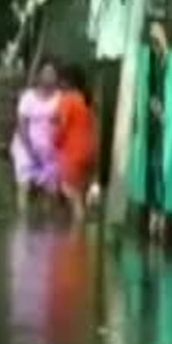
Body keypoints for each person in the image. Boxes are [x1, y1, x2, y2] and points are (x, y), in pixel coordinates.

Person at [9, 58, 63, 212]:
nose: (49, 76)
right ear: (39, 75)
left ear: (57, 77)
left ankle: (45, 225)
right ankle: (23, 221)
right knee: (24, 186)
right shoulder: (28, 97)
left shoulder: (60, 98)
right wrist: (30, 150)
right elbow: (21, 125)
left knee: (50, 191)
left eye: (52, 73)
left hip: (50, 150)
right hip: (25, 147)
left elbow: (63, 124)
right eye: (45, 72)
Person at [55, 63, 99, 224]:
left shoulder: (67, 99)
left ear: (66, 82)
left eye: (60, 80)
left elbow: (62, 125)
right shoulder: (86, 99)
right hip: (90, 152)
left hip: (73, 152)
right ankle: (82, 234)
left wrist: (55, 142)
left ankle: (78, 236)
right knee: (80, 194)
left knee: (72, 194)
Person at [145, 20, 170, 240]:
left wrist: (160, 111)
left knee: (159, 166)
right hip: (155, 126)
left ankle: (159, 214)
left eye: (156, 42)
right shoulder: (153, 65)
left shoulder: (165, 64)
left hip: (162, 124)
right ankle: (155, 213)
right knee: (155, 166)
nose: (153, 46)